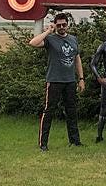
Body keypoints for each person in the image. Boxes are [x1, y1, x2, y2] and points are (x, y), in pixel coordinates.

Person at [29, 13, 85, 151]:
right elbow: (33, 43)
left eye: (64, 25)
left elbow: (77, 59)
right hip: (54, 81)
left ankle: (75, 141)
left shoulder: (73, 39)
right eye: (58, 25)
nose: (61, 27)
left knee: (71, 111)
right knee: (49, 111)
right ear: (55, 25)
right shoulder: (50, 39)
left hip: (70, 81)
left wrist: (81, 79)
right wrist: (48, 31)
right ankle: (43, 144)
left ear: (68, 25)